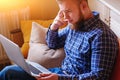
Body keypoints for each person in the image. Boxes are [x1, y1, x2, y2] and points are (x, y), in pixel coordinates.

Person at [0, 0, 119, 80]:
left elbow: (98, 77)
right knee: (8, 72)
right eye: (62, 12)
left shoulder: (101, 36)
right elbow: (53, 44)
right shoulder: (75, 25)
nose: (65, 17)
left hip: (64, 77)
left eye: (68, 11)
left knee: (9, 74)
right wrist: (54, 27)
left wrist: (59, 78)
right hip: (58, 72)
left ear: (83, 6)